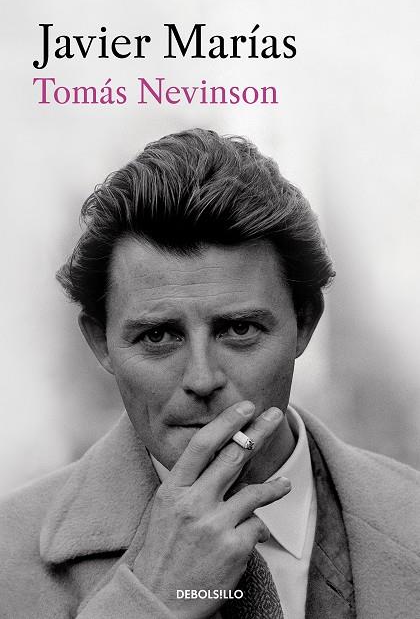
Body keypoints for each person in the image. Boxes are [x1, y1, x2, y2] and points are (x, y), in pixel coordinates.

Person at [0, 129, 419, 619]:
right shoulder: (9, 554)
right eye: (158, 336)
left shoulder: (410, 515)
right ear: (101, 343)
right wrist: (151, 600)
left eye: (239, 329)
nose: (201, 379)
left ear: (304, 323)